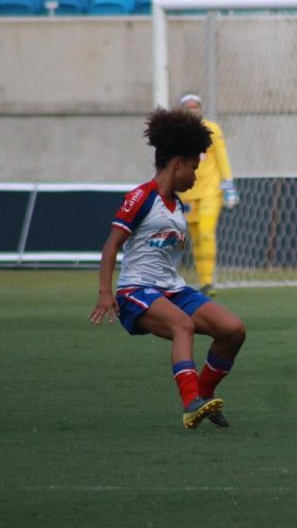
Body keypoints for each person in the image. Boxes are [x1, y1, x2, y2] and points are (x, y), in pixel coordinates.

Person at [89, 107, 246, 430]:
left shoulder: (177, 205)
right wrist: (106, 292)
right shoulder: (142, 197)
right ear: (176, 164)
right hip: (136, 291)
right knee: (182, 326)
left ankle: (203, 395)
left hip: (172, 289)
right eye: (193, 167)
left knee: (233, 330)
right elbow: (111, 246)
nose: (196, 175)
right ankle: (191, 405)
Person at [177, 93, 238, 298]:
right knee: (195, 238)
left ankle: (210, 280)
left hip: (211, 191)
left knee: (206, 232)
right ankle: (204, 282)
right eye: (189, 107)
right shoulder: (176, 133)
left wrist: (228, 185)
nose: (193, 110)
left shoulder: (212, 129)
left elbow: (222, 158)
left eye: (196, 107)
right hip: (187, 194)